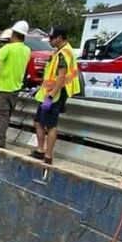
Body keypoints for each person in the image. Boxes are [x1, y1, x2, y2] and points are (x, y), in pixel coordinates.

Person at [31, 26, 81, 165]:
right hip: (50, 93)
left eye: (52, 38)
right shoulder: (61, 51)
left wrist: (51, 96)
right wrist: (40, 89)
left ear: (60, 38)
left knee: (50, 124)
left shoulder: (63, 53)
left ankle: (48, 156)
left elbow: (61, 77)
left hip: (56, 94)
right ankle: (41, 151)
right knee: (38, 121)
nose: (50, 41)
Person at [0, 20, 30, 149]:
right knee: (6, 117)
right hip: (16, 89)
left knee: (1, 117)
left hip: (4, 88)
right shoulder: (26, 50)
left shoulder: (9, 48)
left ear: (13, 34)